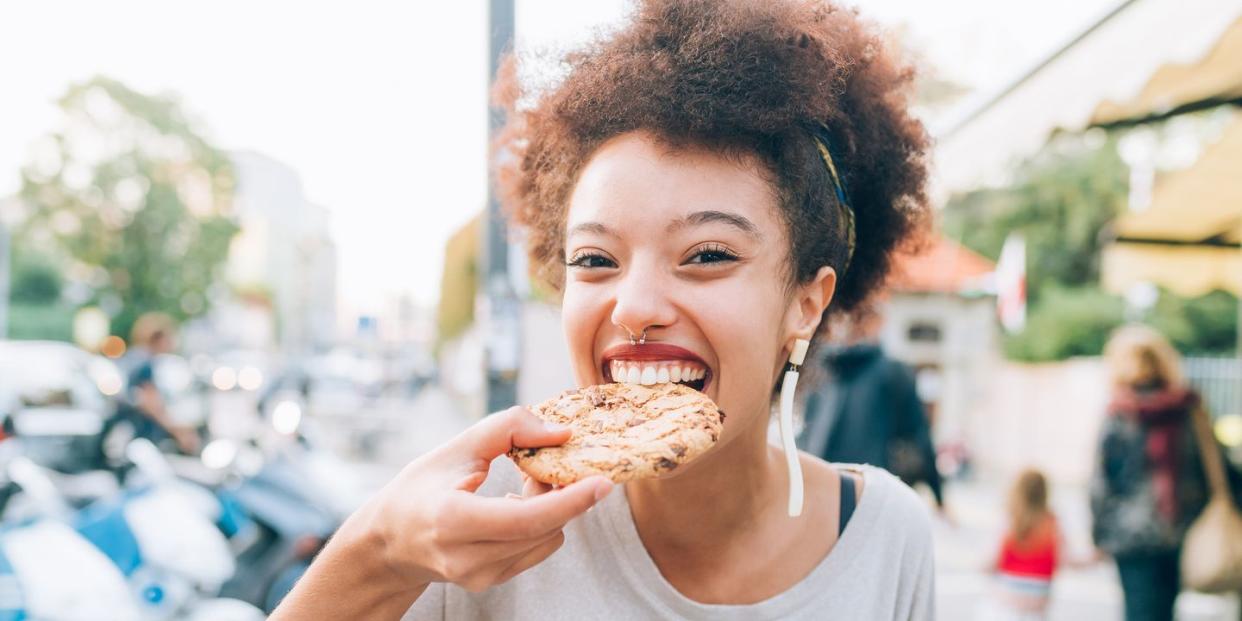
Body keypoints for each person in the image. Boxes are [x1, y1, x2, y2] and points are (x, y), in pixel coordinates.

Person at [273, 1, 934, 618]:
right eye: (594, 259)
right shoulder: (472, 528)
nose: (634, 308)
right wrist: (381, 549)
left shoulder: (884, 536)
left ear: (806, 301)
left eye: (706, 254)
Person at [1090, 324, 1211, 621]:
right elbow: (1212, 470)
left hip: (1131, 535)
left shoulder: (1120, 414)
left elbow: (1102, 484)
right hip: (1181, 528)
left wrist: (1099, 535)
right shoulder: (1189, 409)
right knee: (1165, 610)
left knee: (1139, 609)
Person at [800, 312, 945, 510]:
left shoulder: (821, 369)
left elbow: (805, 432)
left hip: (817, 488)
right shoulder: (893, 371)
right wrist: (939, 496)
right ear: (876, 322)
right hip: (869, 494)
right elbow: (919, 438)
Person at [984, 469, 1069, 620]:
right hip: (1038, 603)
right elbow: (1064, 559)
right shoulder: (1052, 523)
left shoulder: (1010, 521)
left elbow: (992, 562)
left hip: (1006, 601)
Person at [118, 312, 200, 455]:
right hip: (143, 434)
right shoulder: (145, 365)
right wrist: (179, 433)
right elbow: (151, 405)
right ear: (159, 339)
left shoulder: (140, 359)